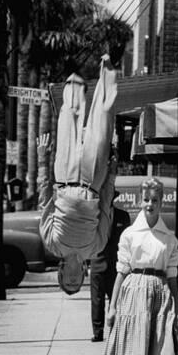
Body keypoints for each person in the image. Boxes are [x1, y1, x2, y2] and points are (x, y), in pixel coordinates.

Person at [100, 177, 178, 355]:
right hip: (133, 296)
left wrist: (175, 310)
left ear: (161, 203)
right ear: (141, 200)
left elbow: (172, 277)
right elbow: (121, 272)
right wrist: (112, 307)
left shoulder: (168, 239)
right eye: (146, 200)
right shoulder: (129, 235)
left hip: (159, 296)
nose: (150, 205)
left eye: (155, 200)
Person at [37, 54, 118, 295]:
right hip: (93, 181)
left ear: (60, 275)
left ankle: (73, 69)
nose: (73, 279)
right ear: (83, 276)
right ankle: (107, 67)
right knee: (102, 119)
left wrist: (42, 158)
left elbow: (45, 203)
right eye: (76, 283)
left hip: (64, 175)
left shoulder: (52, 244)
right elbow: (105, 207)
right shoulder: (96, 248)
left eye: (67, 282)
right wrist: (111, 173)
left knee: (69, 115)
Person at [90, 202, 130, 342]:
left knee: (117, 298)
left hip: (116, 264)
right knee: (97, 300)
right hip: (97, 261)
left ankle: (116, 329)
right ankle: (97, 332)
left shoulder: (123, 216)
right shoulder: (94, 215)